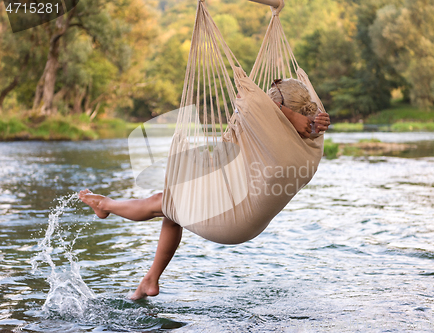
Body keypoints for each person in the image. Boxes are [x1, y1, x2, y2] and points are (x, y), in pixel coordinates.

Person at [79, 79, 331, 300]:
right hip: (248, 217)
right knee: (173, 211)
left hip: (235, 220)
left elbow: (247, 99)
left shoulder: (279, 138)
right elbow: (275, 112)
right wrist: (308, 117)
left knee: (163, 200)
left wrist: (291, 115)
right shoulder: (311, 142)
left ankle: (105, 206)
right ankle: (149, 281)